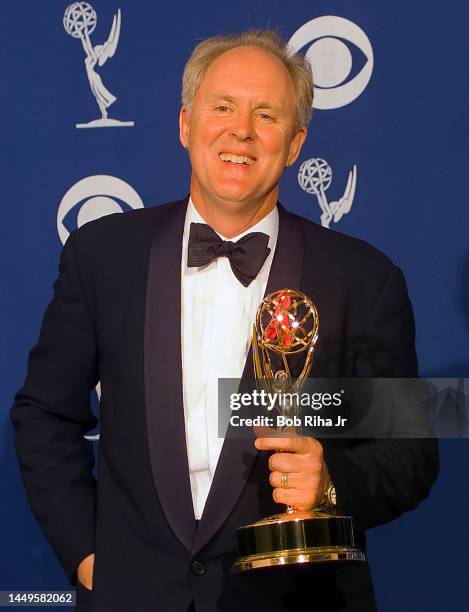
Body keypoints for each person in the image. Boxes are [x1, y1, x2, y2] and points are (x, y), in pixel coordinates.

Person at [11, 30, 438, 611]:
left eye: (266, 115)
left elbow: (412, 450)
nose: (240, 130)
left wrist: (333, 482)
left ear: (294, 145)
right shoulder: (102, 256)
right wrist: (86, 553)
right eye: (222, 107)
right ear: (186, 123)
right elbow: (44, 413)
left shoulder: (364, 279)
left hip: (297, 600)